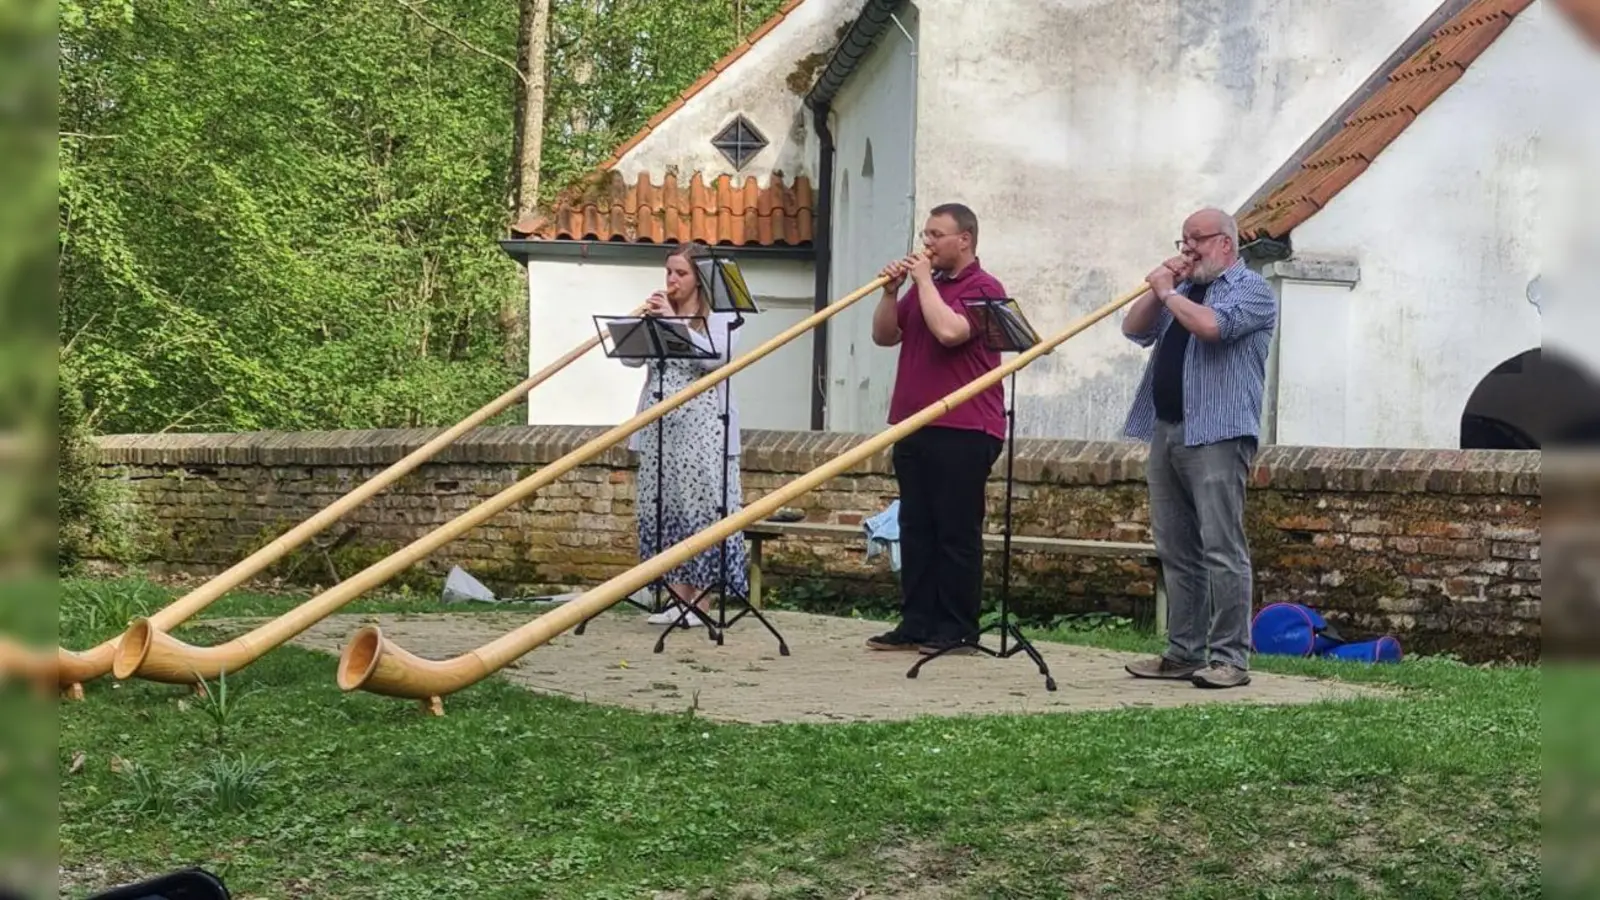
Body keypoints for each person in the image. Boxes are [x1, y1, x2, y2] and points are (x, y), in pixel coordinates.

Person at [1120, 207, 1277, 689]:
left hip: (1218, 433)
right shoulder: (1183, 290)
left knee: (1222, 548)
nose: (1187, 249)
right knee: (1175, 547)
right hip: (1167, 429)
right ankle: (1183, 653)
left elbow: (1212, 328)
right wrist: (1159, 289)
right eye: (1182, 240)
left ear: (1225, 243)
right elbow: (1134, 329)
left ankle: (1230, 659)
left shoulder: (1252, 290)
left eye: (1197, 239)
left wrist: (1169, 294)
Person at [865, 203, 1007, 655]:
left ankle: (958, 629)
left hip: (965, 425)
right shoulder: (928, 287)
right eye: (925, 234)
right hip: (914, 423)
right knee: (916, 527)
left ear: (964, 239)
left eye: (936, 235)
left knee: (955, 530)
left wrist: (923, 281)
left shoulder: (984, 287)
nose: (926, 243)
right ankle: (917, 623)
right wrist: (891, 294)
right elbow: (885, 336)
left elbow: (950, 332)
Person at [622, 242, 749, 628]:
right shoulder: (661, 312)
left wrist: (673, 323)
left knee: (701, 510)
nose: (672, 280)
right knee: (667, 510)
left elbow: (715, 358)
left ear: (699, 279)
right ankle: (677, 600)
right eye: (669, 272)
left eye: (681, 273)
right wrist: (641, 323)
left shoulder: (720, 316)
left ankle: (702, 603)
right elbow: (630, 358)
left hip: (704, 426)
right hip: (660, 425)